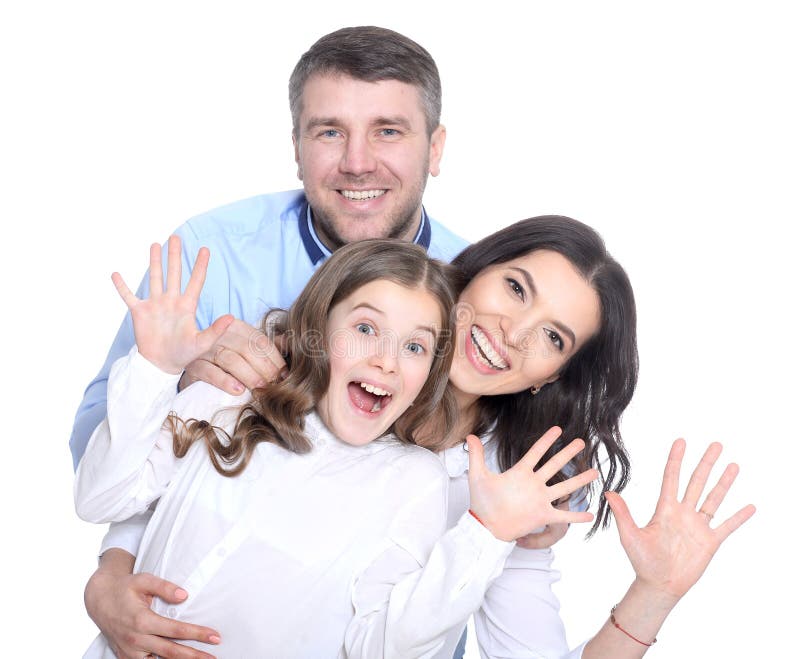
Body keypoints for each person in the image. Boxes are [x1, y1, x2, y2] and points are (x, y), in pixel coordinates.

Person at [80, 215, 755, 658]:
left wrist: (655, 591)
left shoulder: (503, 495)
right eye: (516, 288)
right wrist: (110, 581)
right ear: (473, 269)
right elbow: (168, 490)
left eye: (553, 337)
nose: (514, 333)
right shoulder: (318, 355)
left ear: (554, 374)